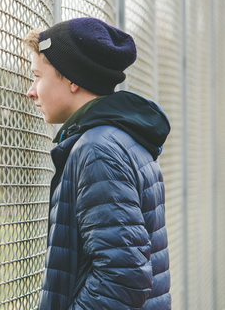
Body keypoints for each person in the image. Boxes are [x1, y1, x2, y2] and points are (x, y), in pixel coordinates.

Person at [23, 17, 171, 309]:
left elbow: (122, 279)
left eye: (38, 76)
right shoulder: (121, 138)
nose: (31, 91)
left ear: (72, 78)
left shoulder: (98, 149)